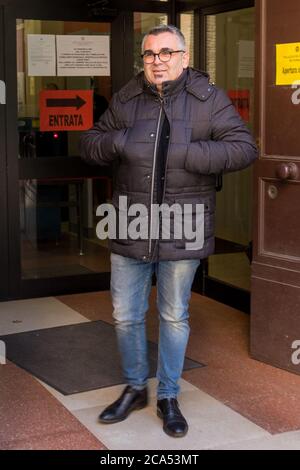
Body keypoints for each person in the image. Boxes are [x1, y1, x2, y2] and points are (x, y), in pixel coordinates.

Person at [80, 24, 257, 438]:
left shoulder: (208, 99)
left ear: (184, 56)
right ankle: (136, 387)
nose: (156, 61)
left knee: (174, 315)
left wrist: (186, 153)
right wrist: (121, 143)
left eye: (165, 52)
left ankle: (169, 395)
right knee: (125, 315)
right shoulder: (127, 97)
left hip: (184, 222)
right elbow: (90, 142)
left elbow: (245, 147)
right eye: (149, 54)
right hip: (131, 220)